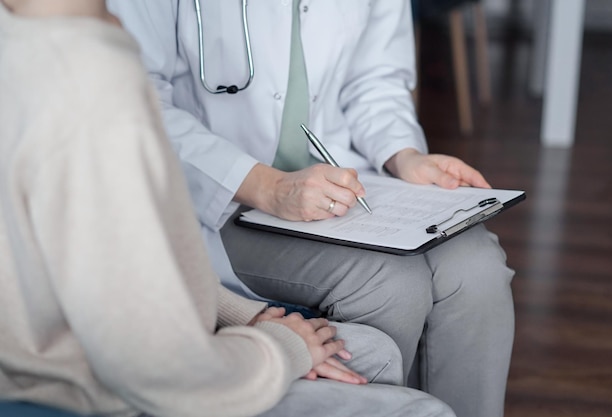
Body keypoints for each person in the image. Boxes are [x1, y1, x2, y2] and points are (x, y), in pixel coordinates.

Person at [0, 1, 457, 416]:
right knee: (414, 392)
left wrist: (241, 315)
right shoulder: (91, 84)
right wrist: (279, 347)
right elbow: (154, 369)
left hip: (126, 344)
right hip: (102, 385)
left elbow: (108, 259)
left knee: (388, 336)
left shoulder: (33, 44)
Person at [106, 1, 515, 416]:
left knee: (477, 266)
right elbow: (135, 100)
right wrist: (267, 186)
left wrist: (402, 154)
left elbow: (375, 78)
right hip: (216, 199)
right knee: (392, 284)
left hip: (346, 179)